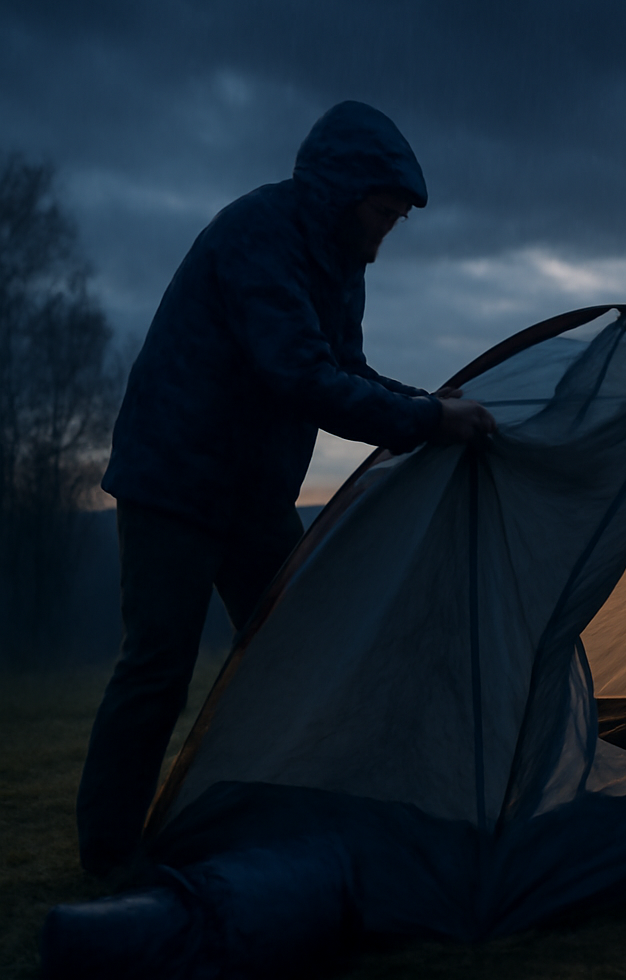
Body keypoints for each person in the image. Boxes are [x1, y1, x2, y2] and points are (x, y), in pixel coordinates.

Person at [78, 101, 495, 879]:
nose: (386, 231)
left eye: (397, 218)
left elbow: (349, 374)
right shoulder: (259, 237)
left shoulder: (342, 266)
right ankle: (107, 858)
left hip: (251, 497)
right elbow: (300, 375)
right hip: (173, 481)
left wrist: (438, 407)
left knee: (300, 648)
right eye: (383, 212)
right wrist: (430, 420)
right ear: (343, 193)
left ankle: (295, 816)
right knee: (158, 666)